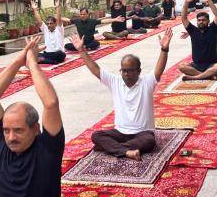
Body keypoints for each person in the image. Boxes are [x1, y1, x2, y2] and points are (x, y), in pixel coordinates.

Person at [0, 36, 65, 197]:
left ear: (36, 128)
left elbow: (51, 103)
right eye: (6, 130)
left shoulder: (48, 149)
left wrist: (32, 64)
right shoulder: (2, 144)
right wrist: (18, 61)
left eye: (18, 130)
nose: (11, 137)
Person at [69, 27, 173, 161]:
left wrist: (164, 49)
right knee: (96, 136)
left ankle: (113, 148)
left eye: (130, 70)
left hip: (142, 133)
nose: (126, 73)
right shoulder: (115, 81)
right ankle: (127, 151)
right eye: (123, 70)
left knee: (149, 141)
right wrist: (81, 50)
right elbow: (95, 69)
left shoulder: (147, 82)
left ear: (139, 71)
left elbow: (159, 69)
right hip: (120, 132)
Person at [178, 0, 217, 81]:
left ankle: (195, 77)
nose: (201, 22)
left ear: (208, 21)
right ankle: (208, 76)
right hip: (196, 65)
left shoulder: (213, 29)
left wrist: (209, 2)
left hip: (211, 65)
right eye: (199, 20)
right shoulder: (193, 31)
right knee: (181, 66)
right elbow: (183, 18)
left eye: (203, 20)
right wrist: (186, 3)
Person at [30, 0, 66, 64]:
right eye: (48, 24)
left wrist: (58, 7)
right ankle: (49, 61)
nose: (49, 25)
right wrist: (35, 9)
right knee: (32, 54)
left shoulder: (59, 29)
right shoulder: (45, 29)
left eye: (51, 23)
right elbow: (39, 21)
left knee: (61, 54)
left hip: (57, 54)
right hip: (47, 53)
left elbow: (58, 18)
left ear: (55, 24)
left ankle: (45, 60)